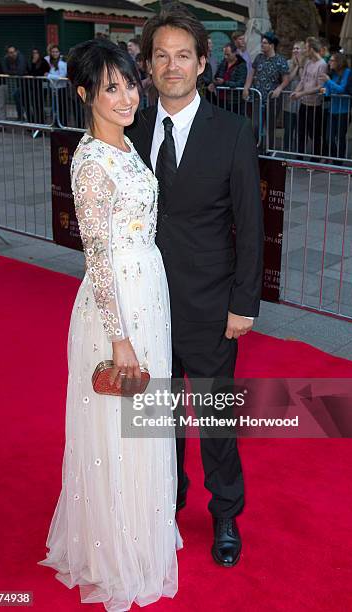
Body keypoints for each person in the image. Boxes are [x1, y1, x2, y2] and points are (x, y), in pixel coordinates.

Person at [37, 38, 182, 610]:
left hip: (148, 290)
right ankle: (114, 551)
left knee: (145, 423)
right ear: (84, 95)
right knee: (119, 429)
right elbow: (96, 256)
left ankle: (142, 532)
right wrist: (119, 340)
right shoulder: (93, 161)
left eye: (128, 83)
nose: (126, 97)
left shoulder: (125, 147)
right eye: (110, 88)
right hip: (114, 306)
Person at [127, 5, 263, 567]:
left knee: (214, 418)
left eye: (183, 55)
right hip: (147, 305)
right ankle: (168, 502)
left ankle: (225, 512)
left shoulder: (231, 131)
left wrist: (243, 303)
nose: (172, 65)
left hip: (211, 305)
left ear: (203, 63)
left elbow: (251, 223)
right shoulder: (129, 127)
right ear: (149, 66)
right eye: (161, 55)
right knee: (160, 418)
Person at [243, 32, 290, 150]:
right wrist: (246, 87)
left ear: (272, 45)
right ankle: (255, 148)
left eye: (265, 43)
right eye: (262, 43)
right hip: (257, 97)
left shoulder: (280, 60)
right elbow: (251, 73)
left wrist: (279, 89)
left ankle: (269, 149)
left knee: (270, 126)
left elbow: (286, 80)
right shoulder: (259, 58)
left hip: (272, 99)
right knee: (255, 124)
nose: (262, 45)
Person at [291, 37, 327, 159]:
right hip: (304, 103)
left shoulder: (322, 64)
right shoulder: (308, 63)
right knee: (301, 132)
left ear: (311, 49)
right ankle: (299, 158)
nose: (305, 50)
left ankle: (316, 158)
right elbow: (303, 80)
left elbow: (319, 87)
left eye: (306, 47)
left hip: (315, 105)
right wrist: (296, 91)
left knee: (314, 134)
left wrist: (302, 93)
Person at [320, 52, 351, 161]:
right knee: (329, 137)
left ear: (339, 62)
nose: (329, 63)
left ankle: (339, 162)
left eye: (332, 60)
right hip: (332, 110)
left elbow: (342, 89)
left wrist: (328, 82)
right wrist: (323, 90)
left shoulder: (347, 72)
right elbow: (326, 91)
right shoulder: (332, 74)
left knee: (340, 138)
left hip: (343, 111)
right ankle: (333, 158)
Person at [282, 41, 305, 153]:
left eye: (298, 48)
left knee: (300, 129)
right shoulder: (288, 63)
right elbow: (288, 79)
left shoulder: (307, 63)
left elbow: (303, 80)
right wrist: (296, 66)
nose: (295, 50)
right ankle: (287, 150)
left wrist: (300, 65)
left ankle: (299, 152)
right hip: (289, 101)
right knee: (289, 128)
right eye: (294, 48)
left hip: (302, 101)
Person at [214, 42, 247, 112]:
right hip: (221, 98)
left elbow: (240, 83)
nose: (225, 57)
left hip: (234, 100)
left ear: (235, 53)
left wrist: (224, 82)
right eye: (225, 54)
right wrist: (214, 82)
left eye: (228, 55)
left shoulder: (241, 65)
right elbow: (216, 76)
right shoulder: (223, 62)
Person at [26, 49, 50, 124]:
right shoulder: (32, 62)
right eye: (33, 53)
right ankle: (37, 122)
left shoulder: (43, 62)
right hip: (34, 87)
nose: (35, 55)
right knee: (35, 105)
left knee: (40, 105)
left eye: (36, 53)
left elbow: (40, 73)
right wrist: (33, 64)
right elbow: (31, 73)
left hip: (42, 87)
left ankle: (41, 122)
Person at [3, 45, 27, 120]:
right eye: (10, 53)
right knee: (17, 96)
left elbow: (20, 71)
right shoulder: (7, 58)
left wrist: (12, 72)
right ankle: (20, 116)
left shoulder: (21, 57)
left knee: (25, 100)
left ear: (16, 51)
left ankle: (29, 118)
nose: (12, 54)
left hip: (28, 83)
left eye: (13, 52)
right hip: (20, 83)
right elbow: (5, 70)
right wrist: (14, 72)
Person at [46, 45, 69, 127]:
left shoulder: (62, 63)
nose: (54, 53)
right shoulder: (50, 62)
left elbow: (62, 76)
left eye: (56, 52)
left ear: (59, 53)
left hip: (61, 88)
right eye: (53, 52)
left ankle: (63, 125)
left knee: (62, 108)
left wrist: (49, 75)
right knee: (54, 108)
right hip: (52, 88)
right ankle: (56, 123)